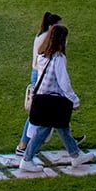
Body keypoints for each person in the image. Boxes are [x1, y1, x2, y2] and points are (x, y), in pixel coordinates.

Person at [19, 24, 94, 174]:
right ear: (61, 40)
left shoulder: (43, 56)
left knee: (63, 127)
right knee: (44, 131)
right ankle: (26, 160)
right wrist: (74, 100)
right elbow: (64, 82)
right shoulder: (58, 58)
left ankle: (75, 155)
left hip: (43, 98)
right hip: (53, 101)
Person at [16, 12, 63, 154]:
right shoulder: (45, 39)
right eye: (57, 25)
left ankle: (70, 141)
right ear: (50, 26)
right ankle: (23, 145)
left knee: (55, 111)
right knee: (37, 113)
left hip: (38, 74)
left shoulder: (41, 36)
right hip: (41, 75)